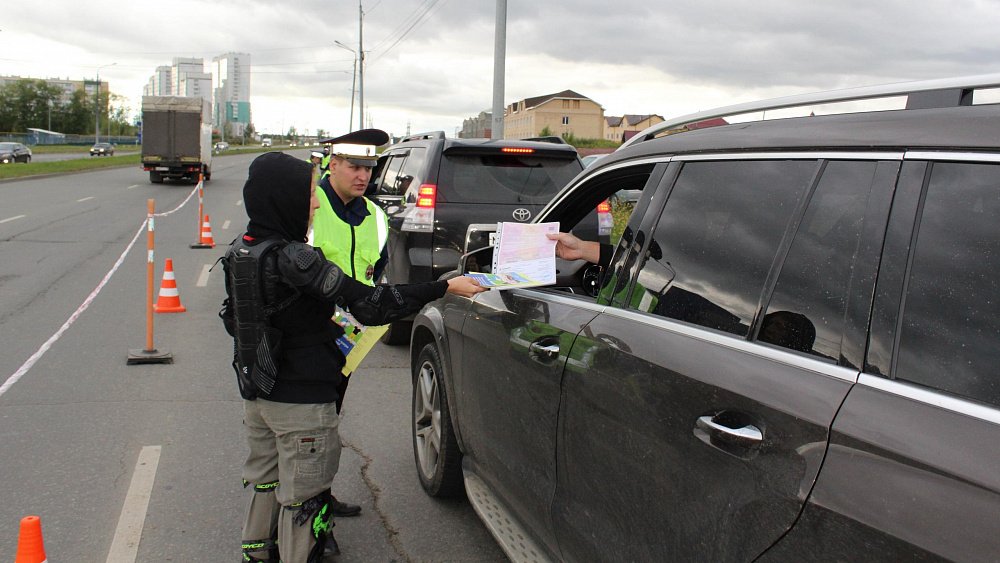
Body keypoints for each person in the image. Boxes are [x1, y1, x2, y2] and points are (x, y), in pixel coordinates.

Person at [224, 152, 484, 563]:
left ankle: (255, 553)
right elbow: (369, 304)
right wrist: (442, 287)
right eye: (308, 193)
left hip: (259, 393)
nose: (313, 202)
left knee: (266, 480)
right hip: (302, 401)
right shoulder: (296, 258)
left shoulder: (243, 249)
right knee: (304, 498)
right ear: (282, 198)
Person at [308, 129, 390, 519]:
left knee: (330, 418)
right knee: (311, 426)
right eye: (354, 166)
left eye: (369, 168)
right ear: (333, 164)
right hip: (307, 333)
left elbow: (378, 270)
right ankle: (303, 506)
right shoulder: (310, 206)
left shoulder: (375, 215)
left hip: (350, 337)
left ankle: (319, 495)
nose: (363, 176)